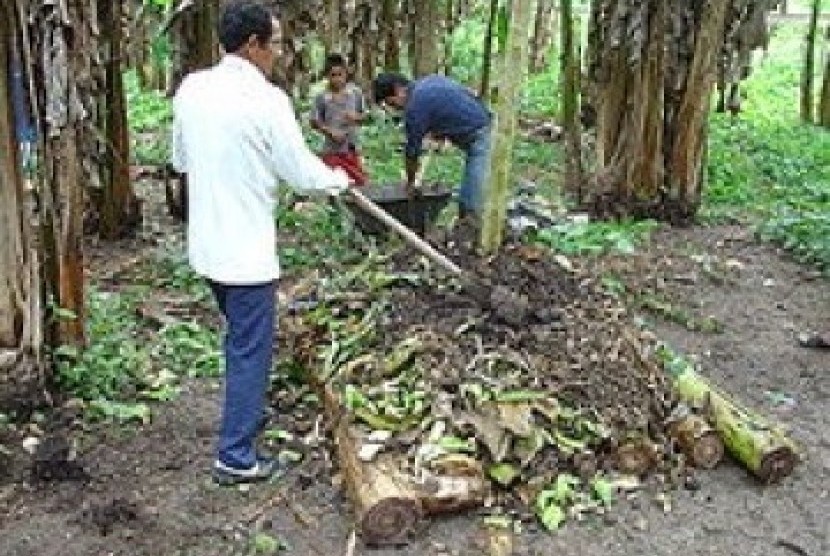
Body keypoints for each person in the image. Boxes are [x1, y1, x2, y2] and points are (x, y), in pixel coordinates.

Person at [171, 0, 350, 485]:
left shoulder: (193, 88)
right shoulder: (268, 100)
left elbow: (182, 160)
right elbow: (299, 173)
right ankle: (235, 456)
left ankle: (245, 417)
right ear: (253, 45)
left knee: (241, 341)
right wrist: (337, 180)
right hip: (246, 255)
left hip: (207, 247)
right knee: (249, 350)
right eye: (275, 43)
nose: (278, 53)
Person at [372, 72, 492, 219]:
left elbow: (412, 153)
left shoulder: (414, 107)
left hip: (482, 136)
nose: (396, 109)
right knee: (472, 194)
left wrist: (410, 183)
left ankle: (474, 233)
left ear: (399, 90)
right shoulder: (427, 82)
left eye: (392, 103)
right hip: (485, 121)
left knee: (471, 202)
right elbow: (453, 102)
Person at [310, 53, 368, 186]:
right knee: (332, 184)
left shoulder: (355, 93)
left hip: (351, 147)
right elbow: (314, 121)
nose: (337, 79)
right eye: (333, 75)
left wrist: (356, 117)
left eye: (340, 75)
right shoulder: (322, 97)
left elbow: (365, 117)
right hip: (332, 150)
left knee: (358, 182)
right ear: (327, 76)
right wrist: (330, 131)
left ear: (346, 74)